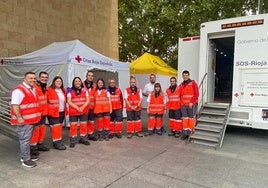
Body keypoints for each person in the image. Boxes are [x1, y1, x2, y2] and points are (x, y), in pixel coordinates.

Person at [10, 72, 41, 168]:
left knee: (27, 140)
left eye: (34, 78)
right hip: (24, 121)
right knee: (25, 140)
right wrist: (19, 117)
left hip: (31, 120)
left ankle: (27, 155)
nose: (33, 80)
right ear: (25, 79)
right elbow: (15, 105)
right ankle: (25, 159)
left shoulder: (32, 89)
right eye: (30, 78)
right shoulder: (19, 90)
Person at [30, 72, 50, 157]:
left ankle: (40, 144)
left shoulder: (45, 87)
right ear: (38, 77)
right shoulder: (34, 87)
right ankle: (33, 147)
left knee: (42, 129)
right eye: (42, 77)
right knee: (35, 130)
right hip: (36, 113)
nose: (44, 78)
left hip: (43, 112)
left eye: (46, 77)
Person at [67, 77, 90, 147]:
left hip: (83, 111)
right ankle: (73, 141)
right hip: (74, 111)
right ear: (73, 83)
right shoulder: (70, 91)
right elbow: (69, 101)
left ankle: (83, 139)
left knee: (83, 126)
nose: (77, 82)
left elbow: (88, 100)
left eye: (79, 81)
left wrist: (82, 107)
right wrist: (77, 108)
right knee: (73, 126)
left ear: (81, 82)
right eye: (76, 81)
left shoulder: (85, 90)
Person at [47, 76, 67, 150]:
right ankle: (57, 144)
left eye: (60, 81)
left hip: (61, 112)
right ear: (54, 82)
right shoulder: (49, 90)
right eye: (57, 81)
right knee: (55, 128)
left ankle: (57, 141)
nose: (59, 83)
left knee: (58, 127)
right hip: (52, 112)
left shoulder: (63, 91)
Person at [179, 70, 199, 140]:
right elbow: (179, 94)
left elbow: (197, 94)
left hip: (191, 104)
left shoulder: (193, 83)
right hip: (183, 105)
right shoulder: (181, 84)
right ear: (182, 76)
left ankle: (190, 133)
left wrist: (191, 102)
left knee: (191, 119)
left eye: (186, 75)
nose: (185, 76)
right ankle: (185, 133)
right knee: (185, 119)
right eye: (184, 75)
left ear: (189, 75)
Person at [83, 70, 98, 141]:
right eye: (89, 75)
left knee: (91, 121)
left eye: (92, 76)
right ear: (86, 76)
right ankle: (84, 135)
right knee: (84, 122)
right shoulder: (82, 84)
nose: (90, 77)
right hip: (84, 107)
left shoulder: (95, 85)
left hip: (92, 107)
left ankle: (91, 134)